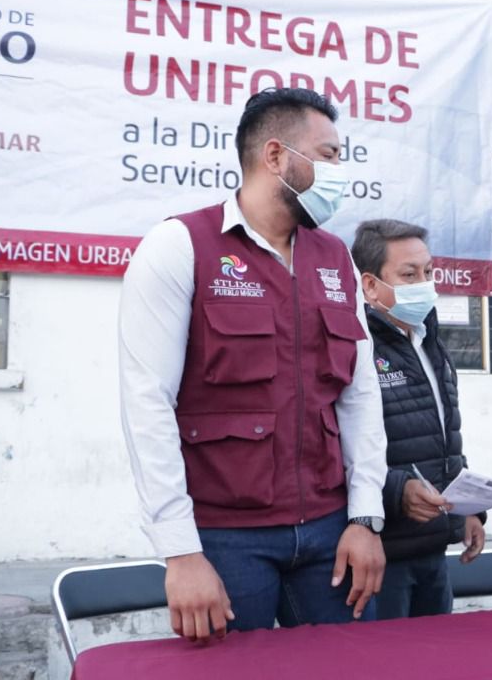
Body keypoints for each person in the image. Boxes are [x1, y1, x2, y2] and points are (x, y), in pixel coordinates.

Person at [119, 88, 388, 639]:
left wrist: (365, 519)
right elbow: (147, 404)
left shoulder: (335, 257)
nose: (342, 170)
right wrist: (181, 553)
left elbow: (359, 398)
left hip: (330, 533)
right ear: (275, 156)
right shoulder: (180, 245)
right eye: (331, 154)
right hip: (225, 539)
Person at [351, 219, 486, 619]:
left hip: (433, 546)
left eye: (428, 272)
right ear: (370, 285)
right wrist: (397, 492)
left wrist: (469, 509)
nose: (425, 283)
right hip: (381, 552)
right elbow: (339, 448)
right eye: (409, 275)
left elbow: (446, 435)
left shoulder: (431, 343)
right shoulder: (353, 348)